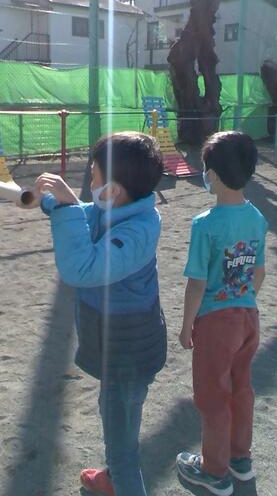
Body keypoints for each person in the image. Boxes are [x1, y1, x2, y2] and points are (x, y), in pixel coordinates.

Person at [20, 131, 167, 496]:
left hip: (128, 353)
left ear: (112, 190)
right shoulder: (115, 207)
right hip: (117, 349)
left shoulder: (138, 230)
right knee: (115, 414)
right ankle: (112, 478)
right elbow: (86, 213)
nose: (89, 183)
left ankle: (120, 478)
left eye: (94, 176)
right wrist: (50, 201)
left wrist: (66, 208)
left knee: (123, 449)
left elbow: (81, 268)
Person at [175, 131, 269, 496]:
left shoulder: (206, 224)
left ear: (211, 174)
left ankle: (214, 471)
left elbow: (197, 283)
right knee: (240, 389)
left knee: (213, 397)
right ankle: (239, 458)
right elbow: (258, 271)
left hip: (216, 323)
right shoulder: (257, 218)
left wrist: (187, 326)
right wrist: (244, 298)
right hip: (248, 317)